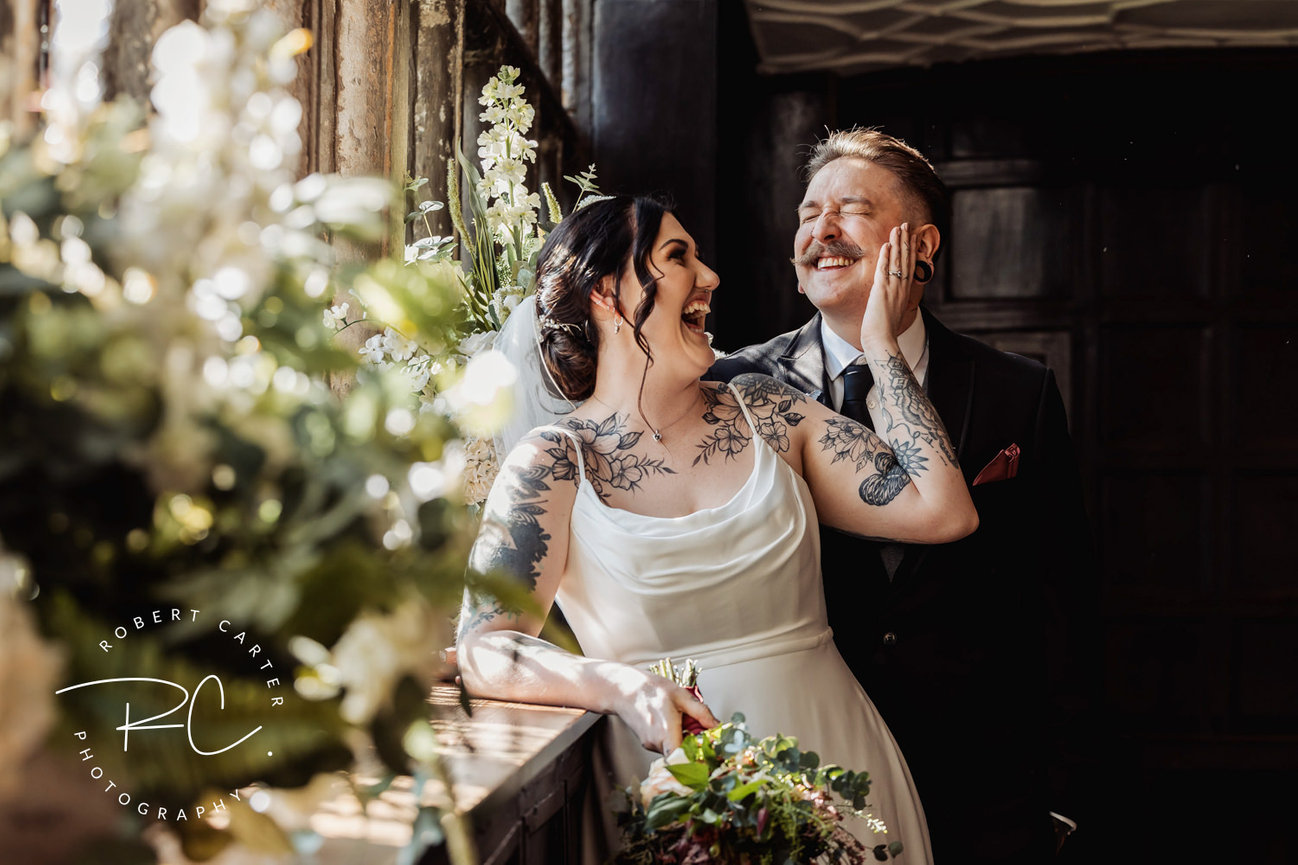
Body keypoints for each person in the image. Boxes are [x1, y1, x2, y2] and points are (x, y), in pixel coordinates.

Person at [455, 194, 980, 863]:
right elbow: (484, 647)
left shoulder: (768, 410)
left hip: (839, 770)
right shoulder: (554, 463)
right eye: (678, 257)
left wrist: (881, 345)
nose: (710, 277)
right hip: (668, 802)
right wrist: (621, 684)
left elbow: (945, 508)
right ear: (607, 292)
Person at [708, 128, 1096, 863]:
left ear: (921, 245)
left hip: (985, 786)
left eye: (849, 209)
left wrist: (1062, 794)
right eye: (806, 212)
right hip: (800, 772)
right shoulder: (734, 388)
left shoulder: (1019, 390)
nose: (819, 231)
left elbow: (1060, 595)